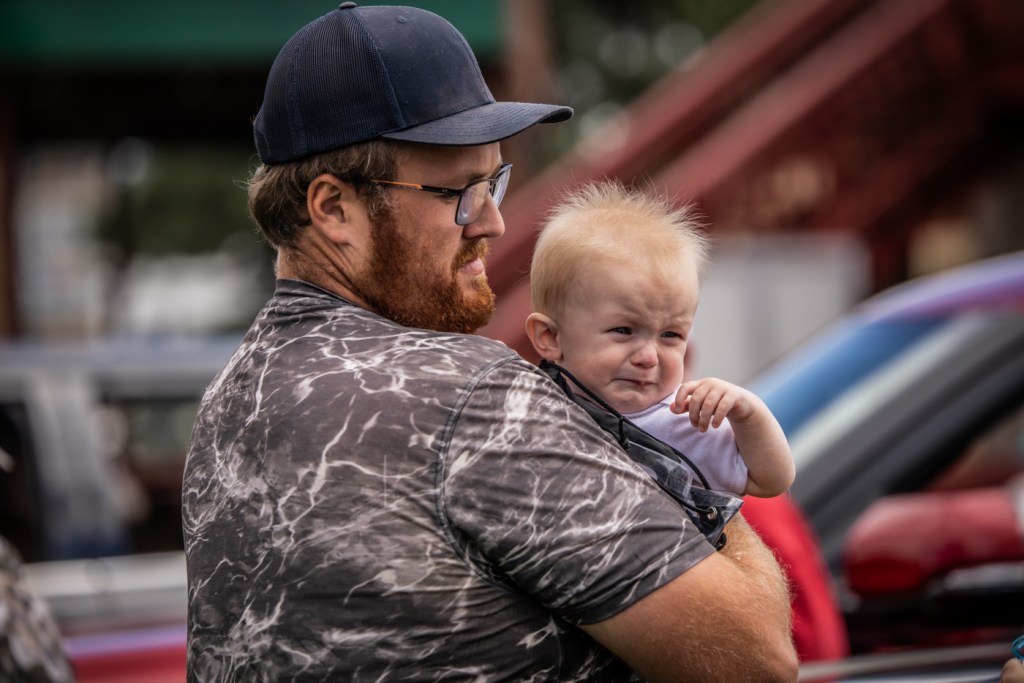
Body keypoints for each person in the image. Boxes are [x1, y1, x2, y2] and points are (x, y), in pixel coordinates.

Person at [182, 4, 798, 681]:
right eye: (459, 192)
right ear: (333, 208)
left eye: (493, 183)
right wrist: (690, 466)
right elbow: (755, 659)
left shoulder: (228, 400)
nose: (493, 222)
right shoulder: (467, 396)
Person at [526, 181, 795, 499]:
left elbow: (770, 480)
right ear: (550, 337)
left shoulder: (680, 422)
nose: (648, 357)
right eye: (624, 331)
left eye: (670, 335)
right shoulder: (530, 413)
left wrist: (750, 413)